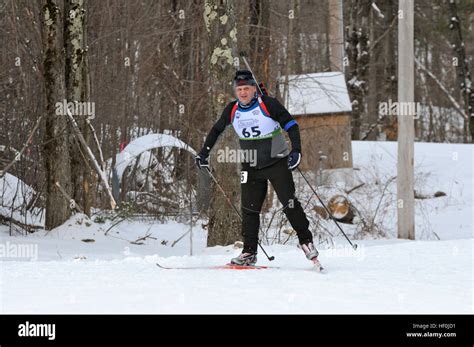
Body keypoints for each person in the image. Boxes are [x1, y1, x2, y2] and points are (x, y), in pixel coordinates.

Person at [195, 70, 319, 266]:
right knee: (249, 209)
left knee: (289, 203)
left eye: (246, 88)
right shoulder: (232, 109)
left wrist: (296, 151)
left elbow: (292, 125)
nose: (243, 93)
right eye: (239, 89)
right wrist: (203, 153)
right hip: (251, 165)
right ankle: (249, 252)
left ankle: (306, 242)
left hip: (277, 162)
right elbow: (216, 130)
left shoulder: (267, 104)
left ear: (254, 89)